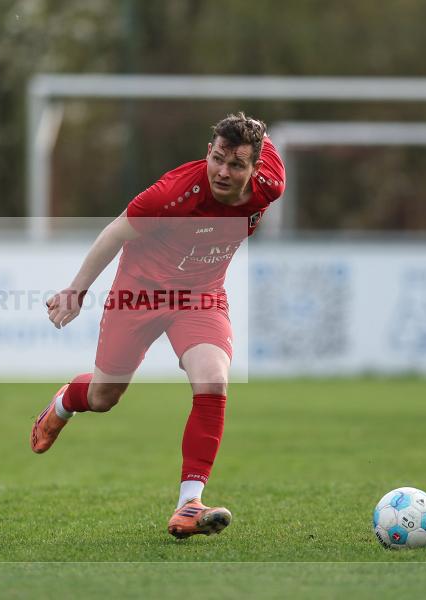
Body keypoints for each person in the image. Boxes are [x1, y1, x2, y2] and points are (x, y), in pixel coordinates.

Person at [30, 112, 285, 539]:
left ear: (256, 169)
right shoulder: (173, 194)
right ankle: (64, 403)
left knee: (213, 382)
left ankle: (189, 504)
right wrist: (76, 290)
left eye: (236, 164)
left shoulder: (271, 185)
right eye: (218, 158)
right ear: (208, 152)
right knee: (104, 396)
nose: (223, 171)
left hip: (201, 297)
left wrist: (252, 124)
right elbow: (115, 232)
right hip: (140, 293)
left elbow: (262, 132)